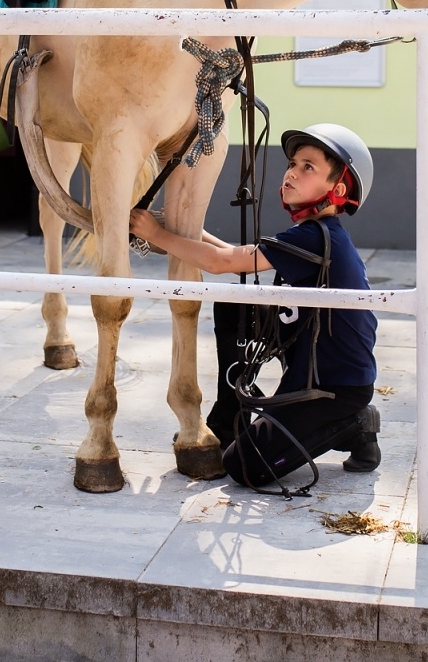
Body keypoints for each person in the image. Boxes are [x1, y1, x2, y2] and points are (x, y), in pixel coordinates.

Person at [130, 123, 381, 488]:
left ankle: (355, 424)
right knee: (236, 305)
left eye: (308, 167)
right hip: (309, 367)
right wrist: (183, 229)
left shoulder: (316, 239)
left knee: (245, 467)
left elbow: (222, 262)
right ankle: (230, 413)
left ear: (337, 189)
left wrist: (158, 235)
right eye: (293, 163)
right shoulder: (312, 236)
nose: (292, 171)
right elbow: (230, 256)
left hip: (335, 387)